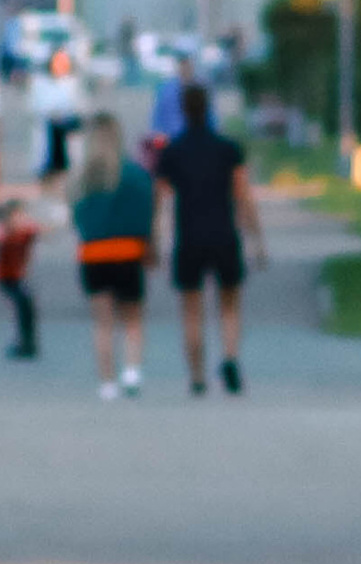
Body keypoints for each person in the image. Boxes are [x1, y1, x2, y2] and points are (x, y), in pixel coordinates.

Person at [151, 80, 266, 395]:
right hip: (224, 235)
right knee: (229, 304)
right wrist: (257, 240)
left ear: (183, 110)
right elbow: (243, 197)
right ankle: (230, 356)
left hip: (189, 238)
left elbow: (161, 203)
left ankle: (197, 375)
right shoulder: (228, 149)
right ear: (209, 108)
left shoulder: (172, 152)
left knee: (192, 309)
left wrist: (156, 242)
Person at [71, 112, 156, 398]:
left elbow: (77, 217)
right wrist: (149, 246)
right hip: (128, 251)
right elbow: (148, 213)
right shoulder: (134, 174)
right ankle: (131, 371)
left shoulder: (83, 177)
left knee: (103, 323)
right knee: (132, 318)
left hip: (93, 254)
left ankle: (107, 383)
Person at [0, 193, 40, 359]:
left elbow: (42, 230)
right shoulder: (4, 233)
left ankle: (28, 342)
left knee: (27, 307)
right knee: (22, 305)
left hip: (19, 277)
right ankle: (24, 343)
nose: (21, 218)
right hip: (7, 277)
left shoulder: (26, 232)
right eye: (17, 215)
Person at [37, 45, 85, 185]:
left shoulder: (73, 84)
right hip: (49, 129)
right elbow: (40, 107)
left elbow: (79, 108)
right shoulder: (42, 84)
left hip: (67, 128)